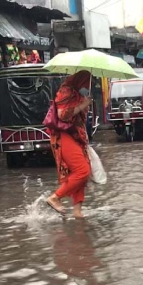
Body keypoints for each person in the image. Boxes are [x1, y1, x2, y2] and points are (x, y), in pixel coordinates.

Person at [46, 70, 93, 219]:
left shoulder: (80, 94)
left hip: (77, 136)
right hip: (63, 135)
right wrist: (83, 105)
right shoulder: (66, 91)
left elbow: (80, 118)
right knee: (82, 170)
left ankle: (77, 211)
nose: (87, 85)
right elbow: (62, 115)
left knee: (82, 174)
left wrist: (85, 103)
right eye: (86, 81)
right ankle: (55, 197)